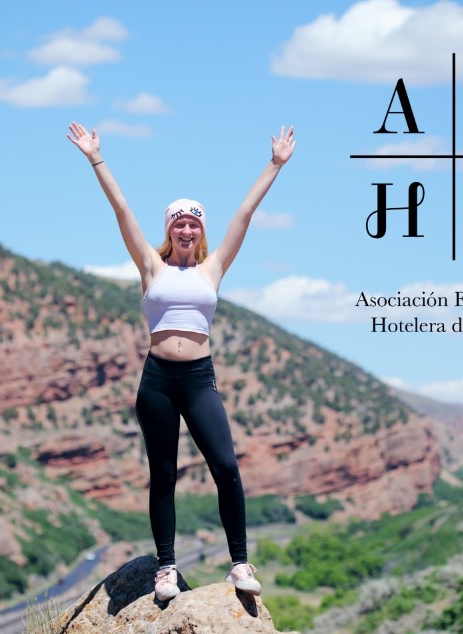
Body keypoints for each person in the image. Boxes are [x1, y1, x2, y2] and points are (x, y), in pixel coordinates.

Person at [66, 121, 296, 601]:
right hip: (157, 381)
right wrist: (95, 159)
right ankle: (165, 568)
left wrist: (274, 164)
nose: (186, 228)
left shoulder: (214, 268)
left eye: (194, 222)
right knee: (164, 475)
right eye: (178, 222)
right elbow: (122, 208)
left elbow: (246, 213)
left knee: (226, 467)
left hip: (197, 378)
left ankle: (239, 563)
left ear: (201, 230)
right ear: (169, 229)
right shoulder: (151, 265)